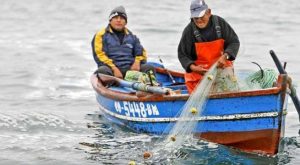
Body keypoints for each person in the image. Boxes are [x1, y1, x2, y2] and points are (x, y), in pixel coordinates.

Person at [178, 0, 240, 93]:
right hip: (199, 75)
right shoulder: (189, 31)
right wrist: (193, 68)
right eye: (195, 18)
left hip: (222, 70)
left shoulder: (220, 23)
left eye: (201, 16)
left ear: (209, 12)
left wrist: (225, 56)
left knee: (229, 88)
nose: (199, 20)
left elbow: (234, 42)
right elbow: (182, 55)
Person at [92, 6, 155, 79]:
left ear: (125, 22)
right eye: (116, 18)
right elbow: (99, 55)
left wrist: (137, 62)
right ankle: (113, 86)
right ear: (110, 20)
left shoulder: (132, 36)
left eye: (122, 18)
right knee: (102, 71)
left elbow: (141, 52)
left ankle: (145, 87)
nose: (119, 20)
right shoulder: (101, 35)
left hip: (131, 70)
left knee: (149, 68)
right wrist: (114, 69)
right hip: (112, 70)